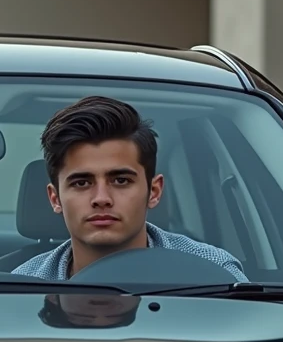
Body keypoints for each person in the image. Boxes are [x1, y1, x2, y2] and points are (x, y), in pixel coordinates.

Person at [13, 96, 248, 283]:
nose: (102, 199)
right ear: (55, 199)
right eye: (82, 183)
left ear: (154, 191)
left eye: (121, 180)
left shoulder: (214, 274)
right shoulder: (20, 288)